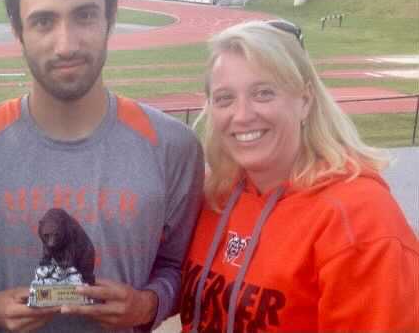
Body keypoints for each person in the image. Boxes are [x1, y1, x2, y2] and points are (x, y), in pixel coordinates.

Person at [0, 0, 204, 333]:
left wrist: (148, 304)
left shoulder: (173, 147)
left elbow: (182, 267)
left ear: (110, 19)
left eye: (84, 16)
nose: (66, 44)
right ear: (18, 30)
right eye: (44, 21)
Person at [178, 20, 419, 332]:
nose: (242, 115)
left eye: (263, 93)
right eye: (225, 98)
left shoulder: (360, 220)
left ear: (305, 101)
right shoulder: (214, 195)